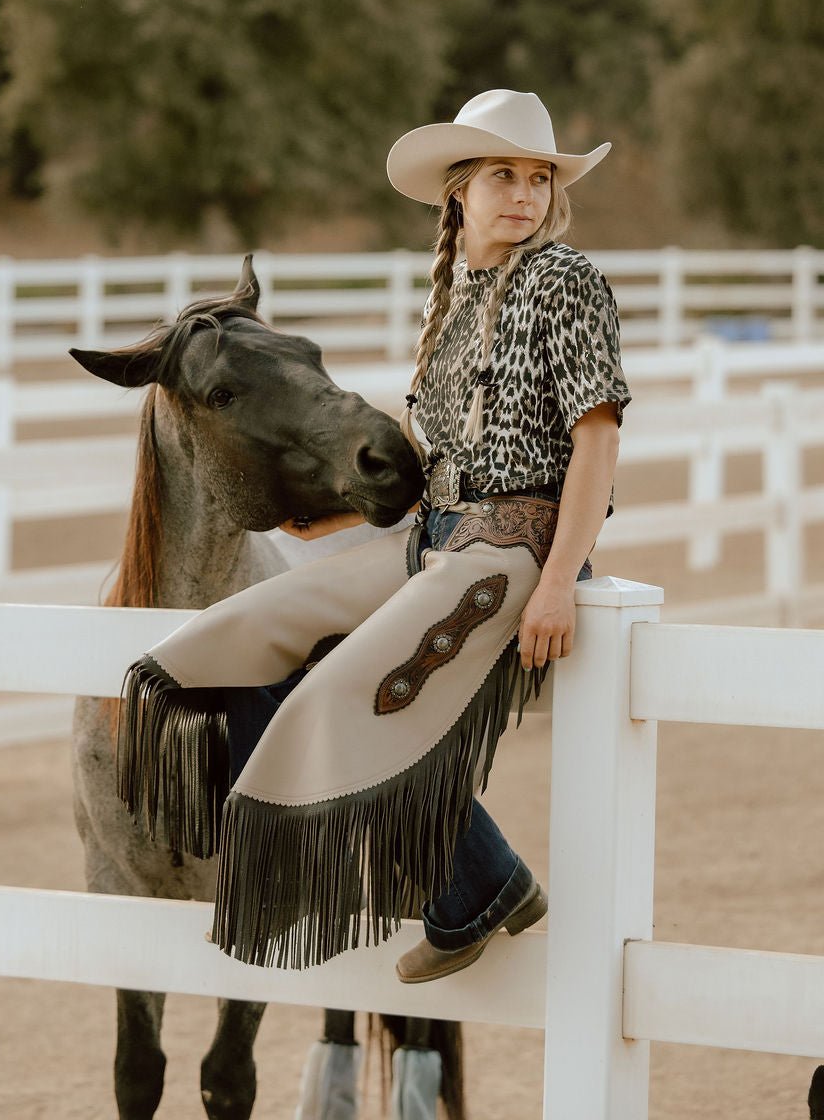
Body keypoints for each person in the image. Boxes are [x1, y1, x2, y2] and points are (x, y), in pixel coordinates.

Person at [116, 88, 631, 981]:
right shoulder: (459, 297)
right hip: (437, 537)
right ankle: (478, 879)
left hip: (516, 546)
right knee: (234, 636)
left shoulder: (565, 280)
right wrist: (336, 516)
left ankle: (469, 885)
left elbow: (597, 438)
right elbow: (445, 460)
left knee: (340, 691)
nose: (525, 195)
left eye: (539, 178)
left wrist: (554, 583)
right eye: (503, 175)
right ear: (459, 193)